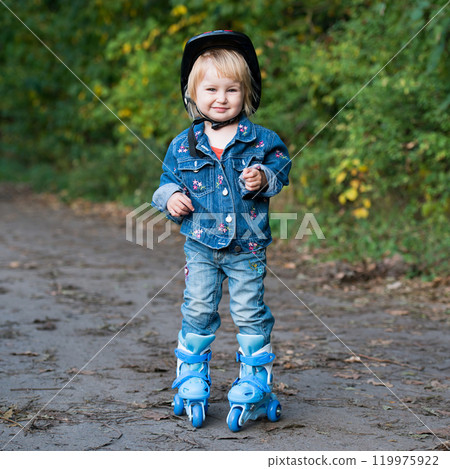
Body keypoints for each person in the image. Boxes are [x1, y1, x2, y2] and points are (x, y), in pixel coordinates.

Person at [151, 30, 291, 431]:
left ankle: (255, 381)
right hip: (201, 246)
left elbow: (282, 168)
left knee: (249, 311)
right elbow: (165, 181)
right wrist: (171, 196)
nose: (221, 97)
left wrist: (263, 177)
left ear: (246, 92)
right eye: (211, 89)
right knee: (197, 308)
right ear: (193, 94)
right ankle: (191, 376)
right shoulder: (184, 145)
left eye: (232, 89)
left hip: (247, 248)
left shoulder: (261, 140)